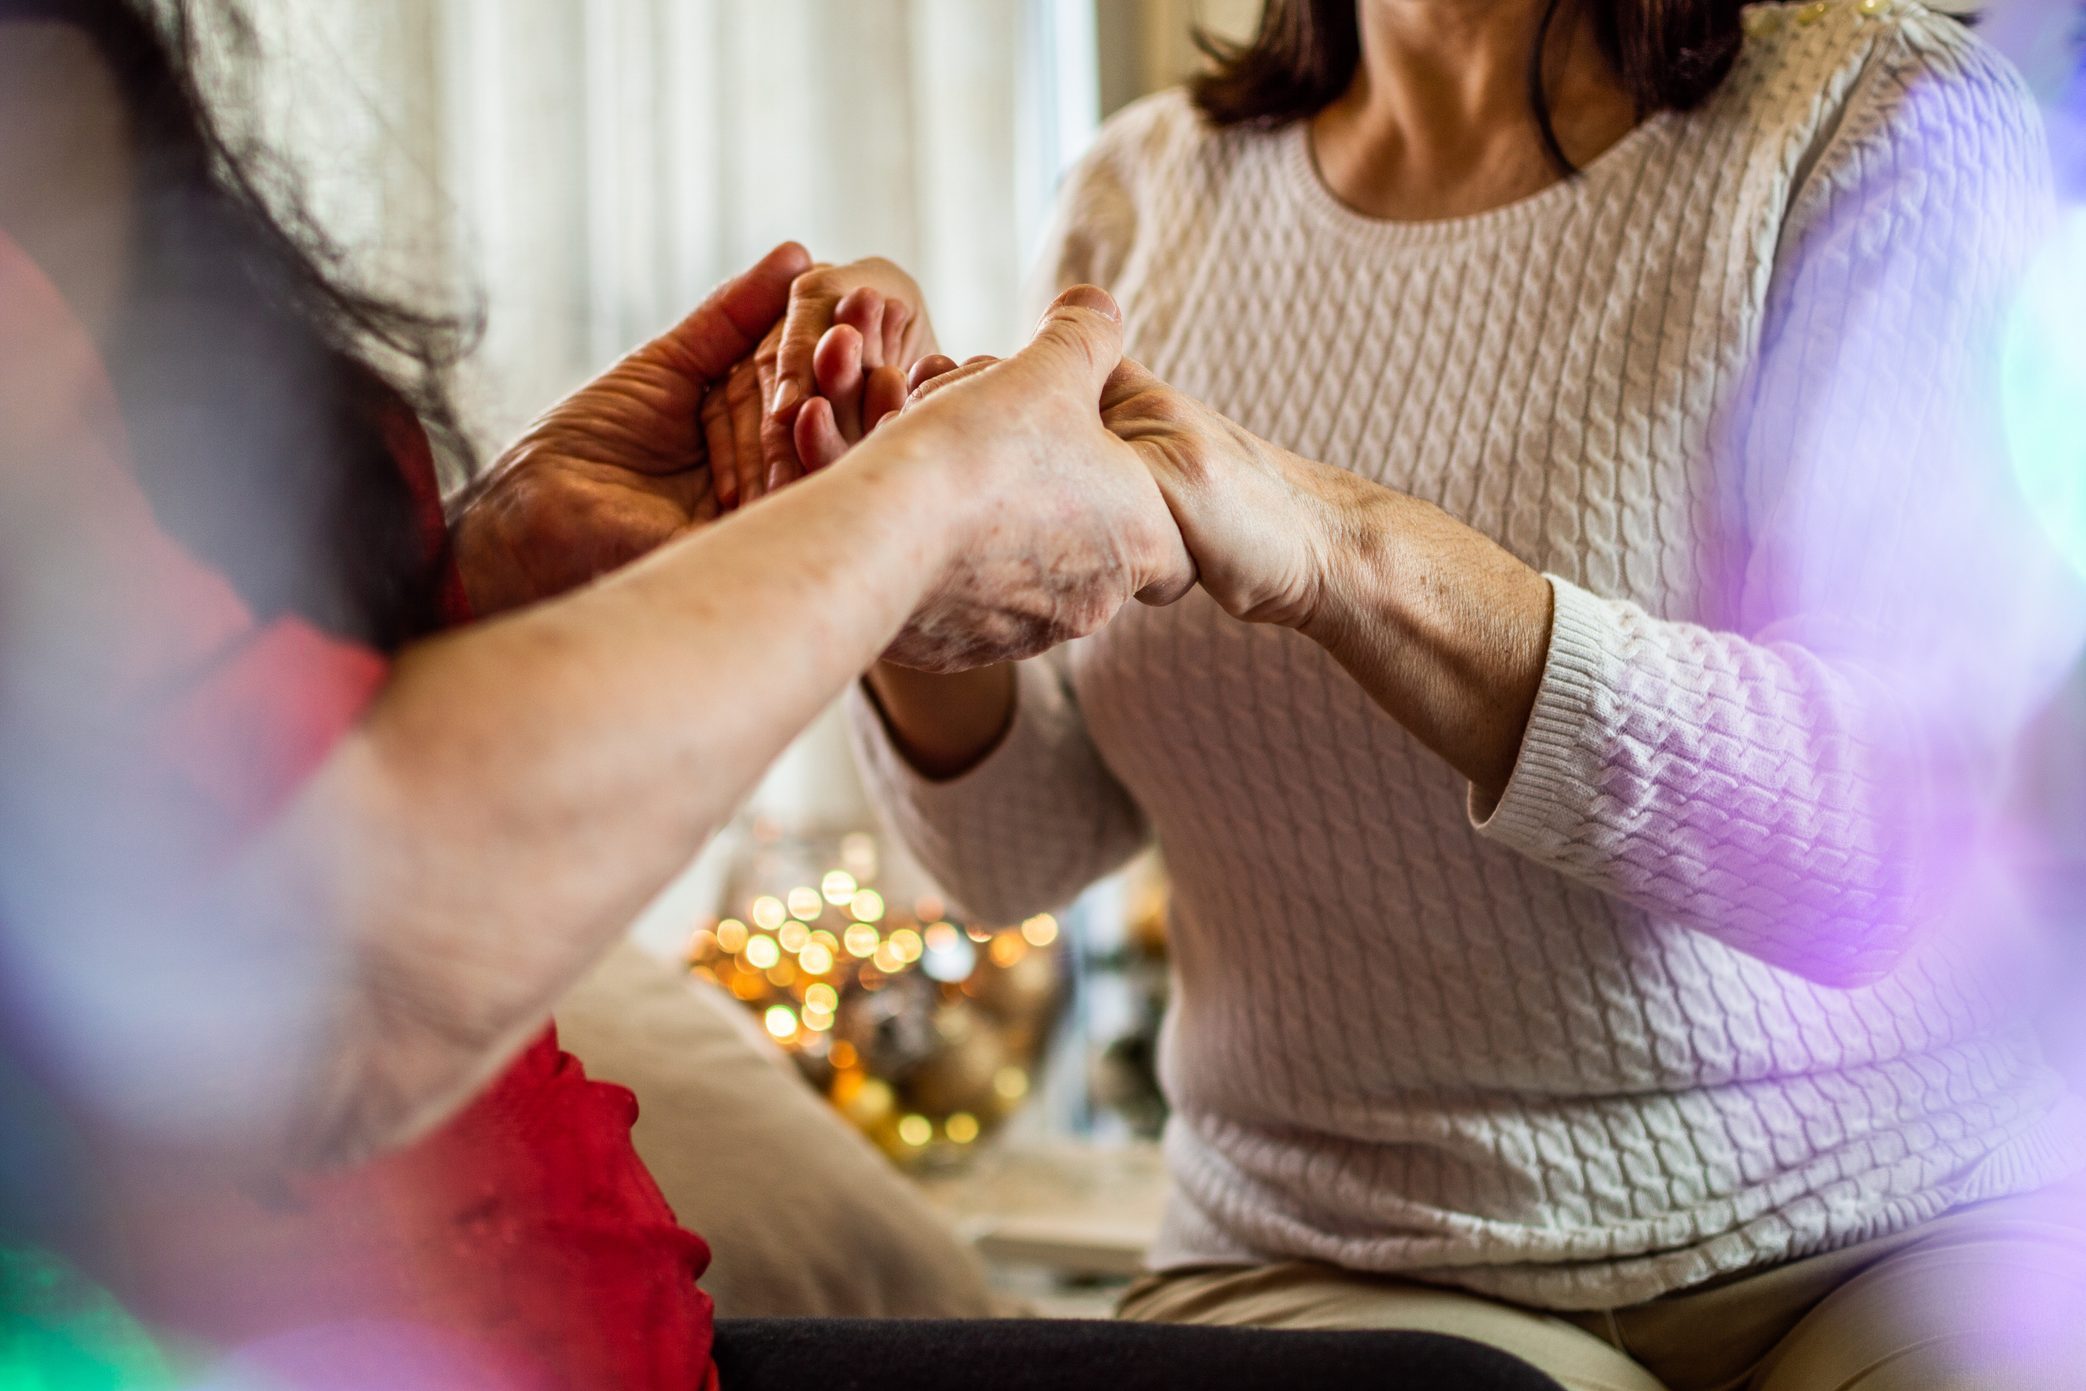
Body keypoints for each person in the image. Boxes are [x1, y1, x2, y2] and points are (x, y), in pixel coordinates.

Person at [0, 2, 1578, 1388]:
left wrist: (505, 554)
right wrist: (918, 500)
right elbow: (299, 942)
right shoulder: (1146, 186)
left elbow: (231, 707)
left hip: (589, 1326)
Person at [768, 0, 2086, 1387]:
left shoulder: (1877, 114)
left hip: (1891, 1226)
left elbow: (1880, 845)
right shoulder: (1135, 194)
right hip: (1337, 1259)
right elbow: (1013, 851)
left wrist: (1347, 555)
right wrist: (891, 529)